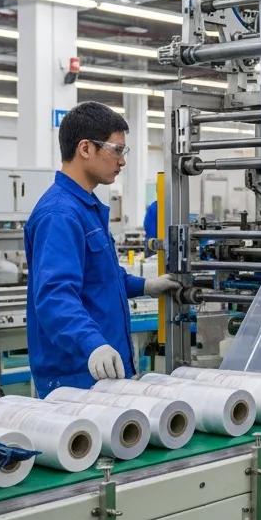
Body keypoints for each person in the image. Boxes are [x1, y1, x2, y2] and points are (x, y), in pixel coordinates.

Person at [25, 103, 180, 397]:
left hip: (104, 368)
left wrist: (146, 285)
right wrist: (92, 343)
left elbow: (103, 278)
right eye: (117, 150)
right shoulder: (60, 214)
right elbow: (55, 296)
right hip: (77, 372)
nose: (122, 162)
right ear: (85, 148)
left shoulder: (87, 208)